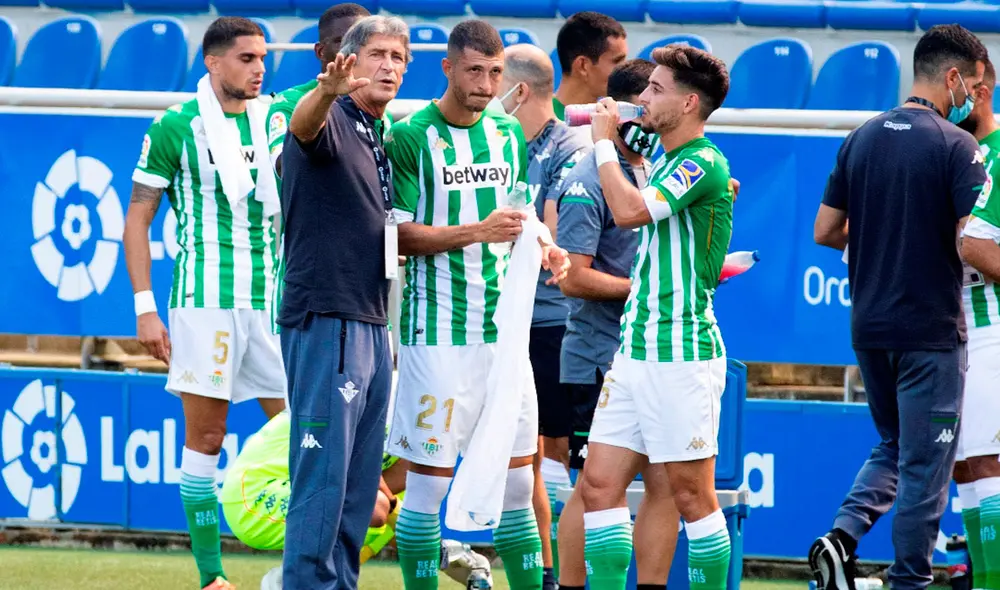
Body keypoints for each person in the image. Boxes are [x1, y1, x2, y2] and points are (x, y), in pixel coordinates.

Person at [384, 19, 569, 590]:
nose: (487, 84)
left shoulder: (507, 135)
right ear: (447, 68)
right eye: (474, 71)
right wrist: (477, 232)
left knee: (519, 486)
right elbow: (398, 237)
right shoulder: (410, 136)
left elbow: (517, 217)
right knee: (428, 487)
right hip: (437, 338)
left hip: (503, 340)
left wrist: (545, 246)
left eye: (494, 73)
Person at [810, 23, 989, 590]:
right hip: (930, 330)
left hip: (869, 324)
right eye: (976, 85)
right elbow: (972, 242)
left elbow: (825, 230)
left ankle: (840, 539)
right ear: (954, 77)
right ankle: (909, 580)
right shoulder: (957, 146)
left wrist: (882, 235)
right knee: (926, 466)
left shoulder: (861, 136)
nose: (974, 99)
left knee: (894, 445)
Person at [123, 17, 285, 590]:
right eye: (246, 58)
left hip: (273, 303)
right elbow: (138, 217)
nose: (259, 68)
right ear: (213, 63)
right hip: (204, 302)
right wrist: (145, 306)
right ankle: (212, 578)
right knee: (207, 439)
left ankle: (302, 566)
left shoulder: (278, 119)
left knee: (307, 433)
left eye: (262, 57)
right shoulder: (176, 126)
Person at [578, 45, 734, 590]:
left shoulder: (703, 160)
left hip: (682, 353)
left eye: (656, 89)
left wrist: (601, 143)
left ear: (690, 103)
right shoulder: (667, 155)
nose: (642, 97)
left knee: (692, 496)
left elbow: (627, 213)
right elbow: (638, 148)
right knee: (598, 485)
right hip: (635, 350)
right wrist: (624, 141)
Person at [278, 14, 409, 590]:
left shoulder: (376, 132)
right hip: (327, 316)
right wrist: (324, 91)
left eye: (398, 58)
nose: (388, 66)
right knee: (323, 478)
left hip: (371, 318)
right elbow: (303, 129)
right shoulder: (329, 117)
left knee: (358, 487)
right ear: (349, 61)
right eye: (376, 54)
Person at [553, 58, 682, 590]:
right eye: (645, 106)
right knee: (593, 489)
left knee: (665, 485)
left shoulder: (651, 170)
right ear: (622, 111)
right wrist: (648, 288)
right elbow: (572, 277)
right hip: (596, 358)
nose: (652, 118)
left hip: (646, 354)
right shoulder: (588, 177)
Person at [497, 42, 593, 590]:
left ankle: (565, 572)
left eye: (496, 83)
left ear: (520, 90)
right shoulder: (505, 143)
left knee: (552, 449)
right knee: (526, 452)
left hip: (558, 320)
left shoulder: (570, 147)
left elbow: (548, 239)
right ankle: (545, 574)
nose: (489, 96)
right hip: (510, 319)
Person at [219, 411, 494, 590]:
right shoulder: (394, 410)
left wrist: (437, 553)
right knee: (377, 508)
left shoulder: (426, 422)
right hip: (253, 495)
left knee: (391, 508)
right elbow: (375, 507)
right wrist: (441, 552)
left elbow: (391, 503)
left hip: (306, 488)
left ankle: (294, 578)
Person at [952, 59, 1000, 590]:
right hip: (953, 328)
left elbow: (979, 244)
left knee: (987, 462)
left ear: (978, 89)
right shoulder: (953, 149)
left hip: (992, 324)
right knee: (966, 466)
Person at [267, 3, 371, 177]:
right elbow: (283, 168)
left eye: (364, 42)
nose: (355, 51)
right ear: (321, 51)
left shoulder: (376, 108)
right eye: (344, 42)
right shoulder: (290, 103)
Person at [552, 12, 628, 121]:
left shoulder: (621, 124)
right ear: (583, 66)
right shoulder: (537, 123)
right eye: (617, 61)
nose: (626, 69)